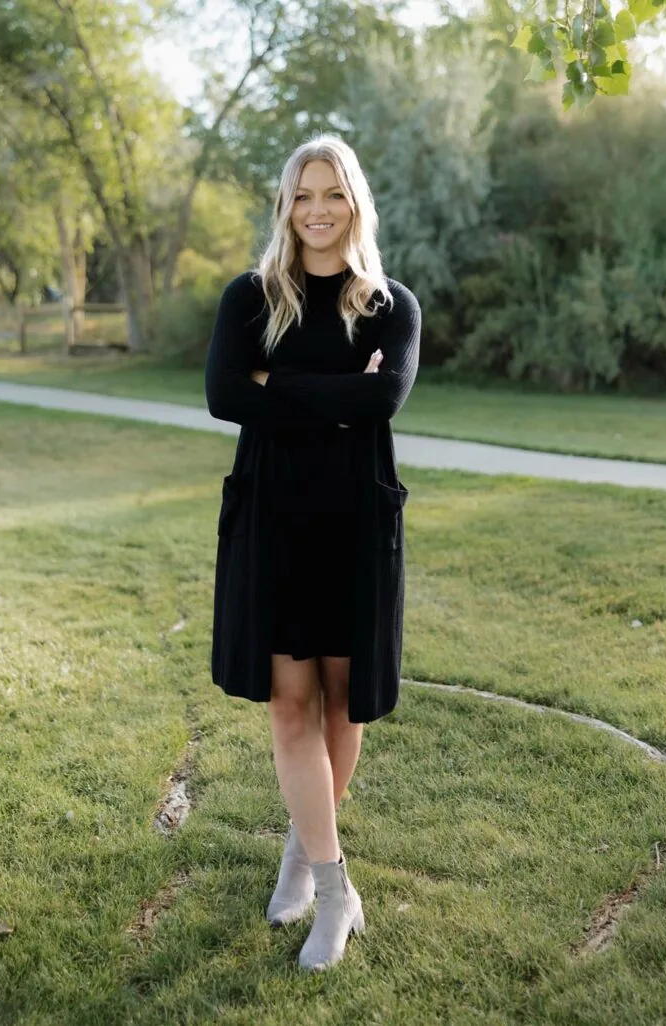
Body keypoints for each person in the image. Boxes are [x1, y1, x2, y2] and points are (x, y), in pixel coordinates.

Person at [204, 134, 421, 971]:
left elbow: (385, 396)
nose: (318, 211)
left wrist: (278, 388)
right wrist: (337, 400)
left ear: (355, 202)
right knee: (289, 701)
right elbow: (225, 394)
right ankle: (334, 889)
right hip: (275, 515)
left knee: (341, 699)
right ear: (286, 206)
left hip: (356, 519)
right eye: (303, 195)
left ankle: (302, 846)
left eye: (332, 194)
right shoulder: (250, 298)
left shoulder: (389, 305)